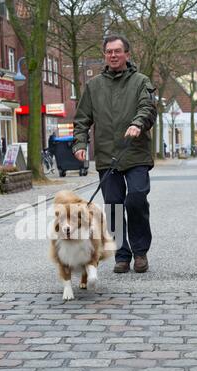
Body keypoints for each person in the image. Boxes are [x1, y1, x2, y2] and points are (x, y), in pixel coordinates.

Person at [73, 34, 157, 274]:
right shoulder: (94, 85)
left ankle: (140, 253)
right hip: (107, 156)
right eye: (109, 51)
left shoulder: (141, 81)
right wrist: (79, 143)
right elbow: (82, 119)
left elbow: (148, 107)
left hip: (135, 152)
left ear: (127, 54)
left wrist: (138, 124)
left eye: (118, 51)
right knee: (113, 206)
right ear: (105, 55)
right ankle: (122, 255)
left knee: (137, 198)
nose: (113, 55)